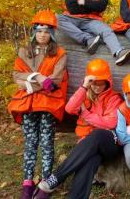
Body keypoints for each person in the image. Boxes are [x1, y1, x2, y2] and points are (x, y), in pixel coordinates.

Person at [36, 59, 123, 199]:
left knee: (98, 133)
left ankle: (57, 177)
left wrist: (86, 114)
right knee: (90, 161)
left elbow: (110, 123)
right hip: (89, 147)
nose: (97, 86)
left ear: (108, 81)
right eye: (93, 82)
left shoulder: (114, 98)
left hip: (110, 144)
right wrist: (83, 87)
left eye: (101, 82)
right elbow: (69, 108)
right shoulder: (85, 95)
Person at [9, 10, 68, 199]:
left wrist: (30, 84)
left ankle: (45, 183)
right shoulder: (24, 52)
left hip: (48, 105)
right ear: (34, 31)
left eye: (47, 31)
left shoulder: (59, 54)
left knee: (46, 142)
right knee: (30, 142)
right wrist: (39, 77)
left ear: (52, 33)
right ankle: (27, 183)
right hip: (27, 104)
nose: (43, 34)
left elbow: (56, 81)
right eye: (39, 30)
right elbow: (17, 76)